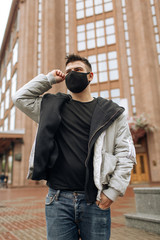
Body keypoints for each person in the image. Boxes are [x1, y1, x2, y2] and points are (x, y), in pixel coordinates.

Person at [13, 54, 136, 240]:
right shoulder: (52, 107)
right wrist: (48, 80)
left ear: (90, 76)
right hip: (58, 200)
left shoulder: (111, 112)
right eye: (68, 71)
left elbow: (126, 154)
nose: (72, 74)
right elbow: (19, 98)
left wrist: (112, 192)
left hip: (95, 200)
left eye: (78, 70)